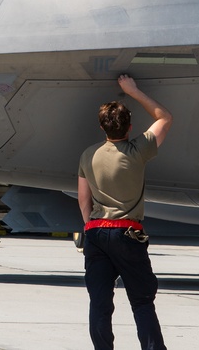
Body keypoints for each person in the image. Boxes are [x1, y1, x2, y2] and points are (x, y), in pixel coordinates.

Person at [78, 74, 173, 350]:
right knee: (142, 302)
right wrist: (132, 91)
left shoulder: (88, 155)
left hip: (96, 232)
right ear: (130, 127)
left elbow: (84, 200)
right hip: (127, 233)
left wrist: (91, 229)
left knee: (99, 303)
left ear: (101, 127)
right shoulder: (137, 151)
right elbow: (165, 117)